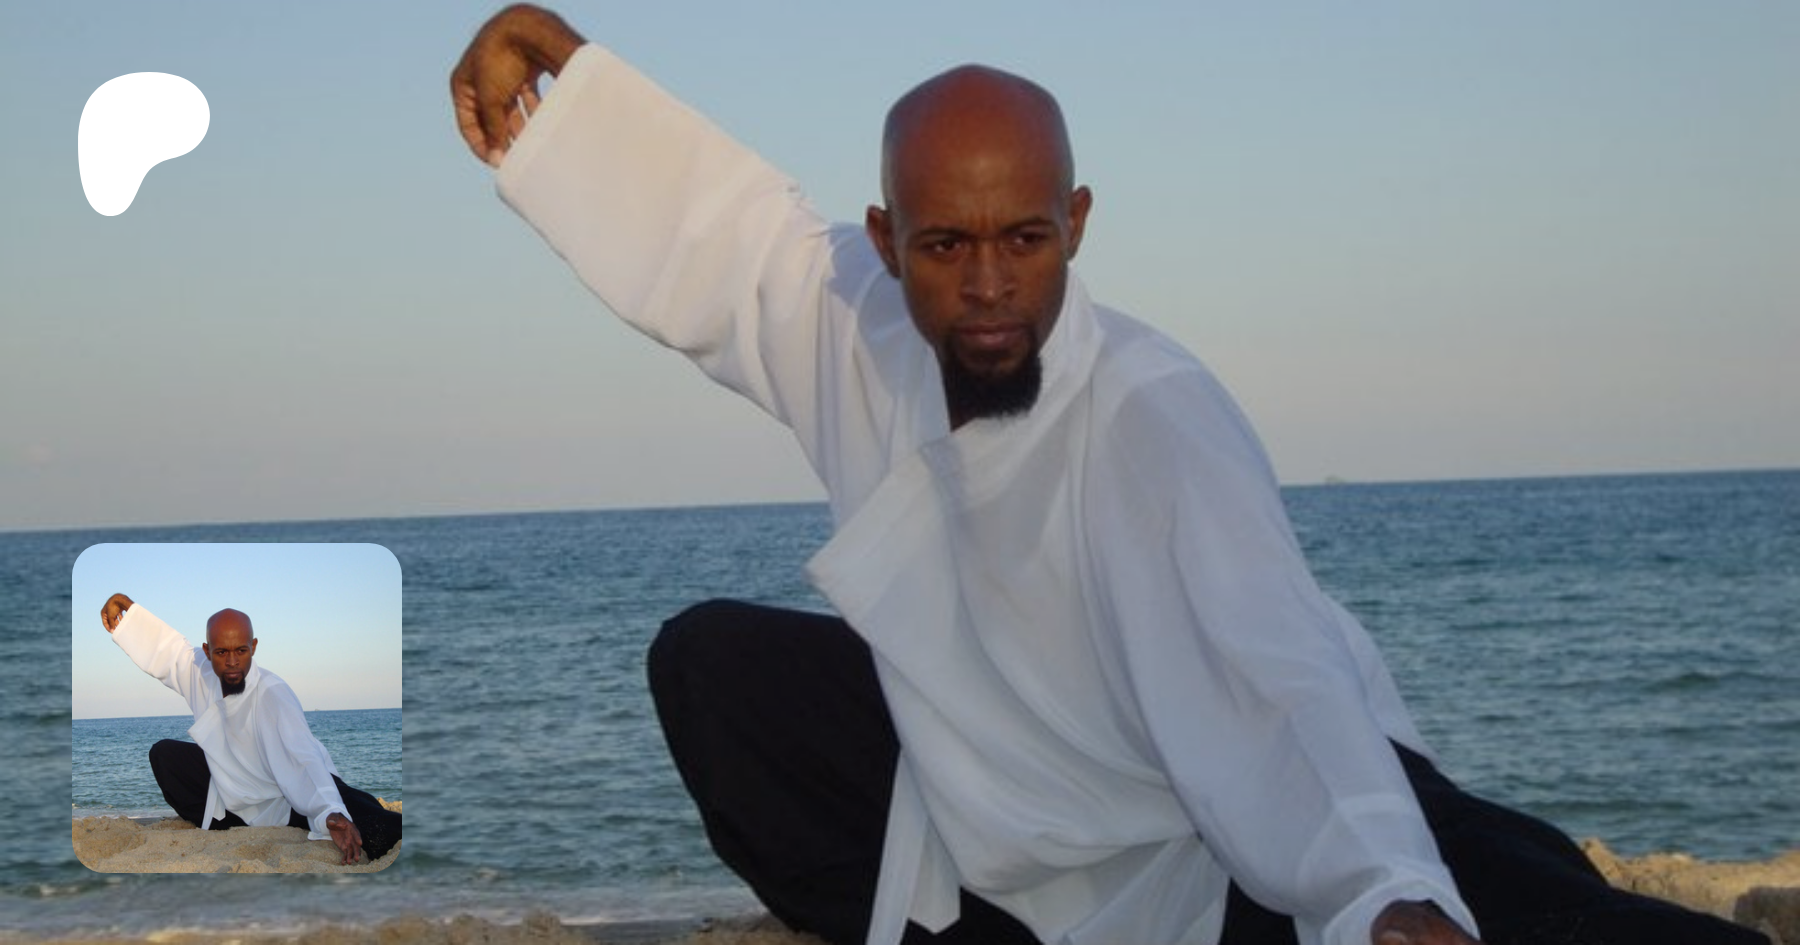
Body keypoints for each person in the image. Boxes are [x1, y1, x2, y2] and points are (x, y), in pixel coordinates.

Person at [449, 7, 1769, 945]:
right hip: (994, 805)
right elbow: (739, 247)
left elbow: (1276, 673)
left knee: (1498, 897)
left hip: (1219, 815)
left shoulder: (1156, 413)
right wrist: (567, 88)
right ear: (888, 242)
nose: (986, 285)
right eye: (945, 246)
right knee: (711, 669)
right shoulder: (858, 323)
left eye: (1024, 240)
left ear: (1076, 225)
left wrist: (1378, 887)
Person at [97, 593, 401, 866]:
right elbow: (171, 652)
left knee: (366, 822)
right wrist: (129, 612)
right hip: (233, 791)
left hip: (287, 793)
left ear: (253, 647)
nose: (232, 662)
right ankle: (232, 822)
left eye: (240, 651)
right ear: (207, 651)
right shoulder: (201, 672)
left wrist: (329, 810)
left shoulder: (273, 693)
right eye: (221, 653)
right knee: (164, 756)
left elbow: (303, 756)